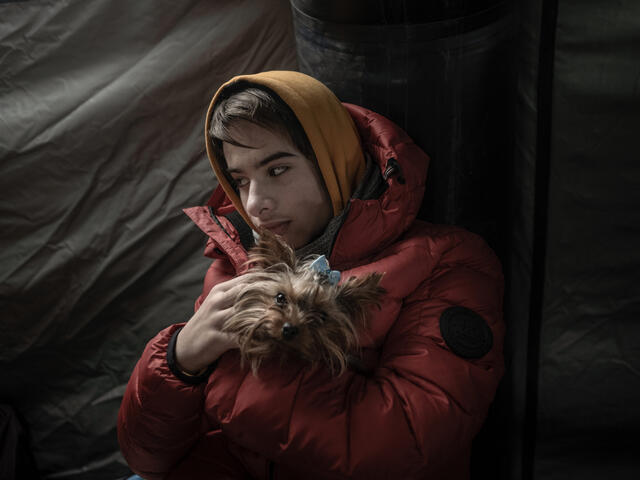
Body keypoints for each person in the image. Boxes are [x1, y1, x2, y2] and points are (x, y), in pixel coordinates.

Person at [117, 71, 505, 480]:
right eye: (240, 180)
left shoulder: (448, 263)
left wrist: (223, 370)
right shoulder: (239, 262)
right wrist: (179, 359)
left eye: (278, 169)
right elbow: (149, 460)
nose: (255, 204)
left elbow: (402, 445)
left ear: (333, 158)